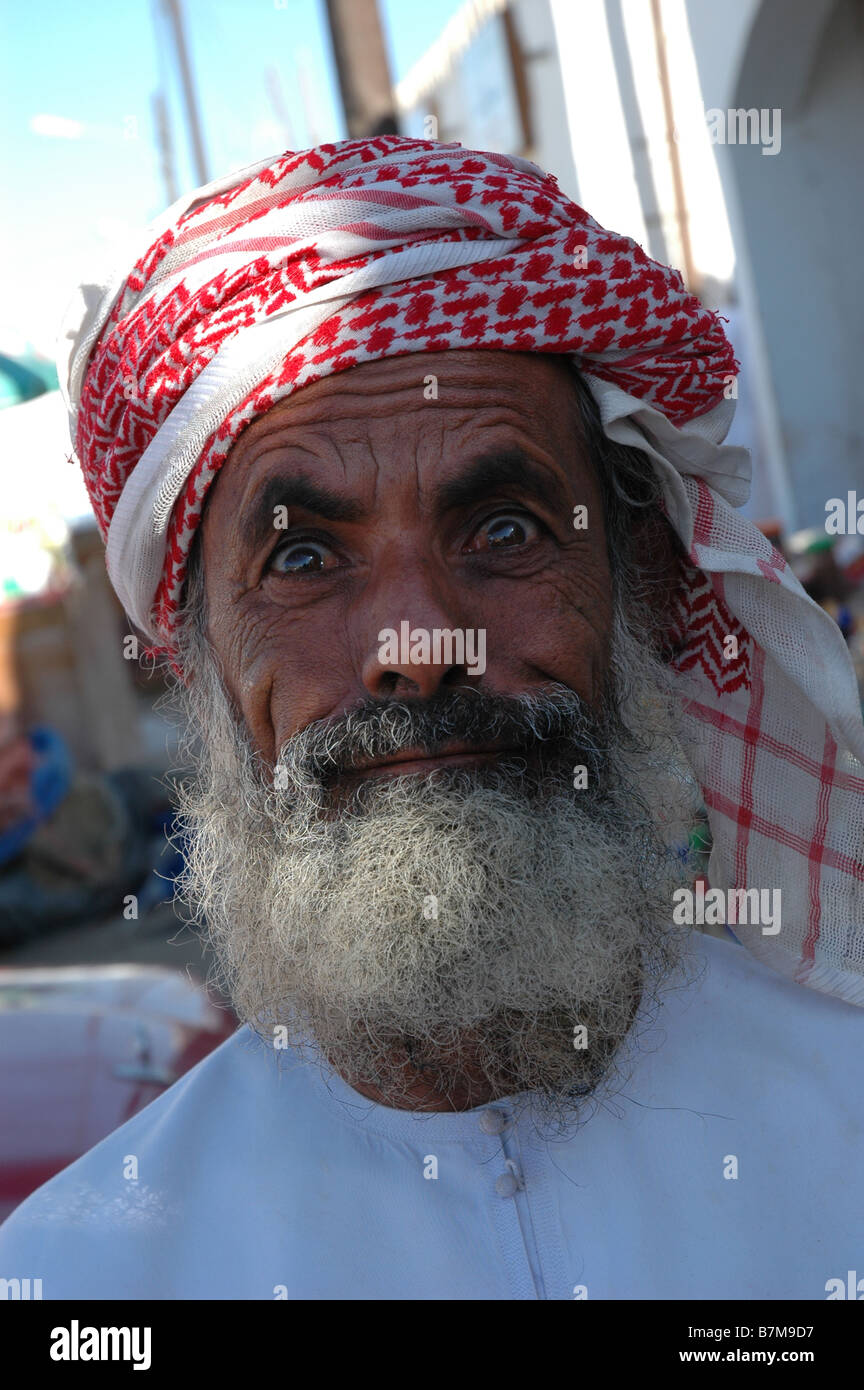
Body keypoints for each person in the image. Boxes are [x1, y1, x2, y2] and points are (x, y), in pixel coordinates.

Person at [1, 136, 862, 1300]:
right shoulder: (85, 1276)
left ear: (639, 583)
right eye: (303, 556)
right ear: (195, 656)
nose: (418, 647)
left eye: (503, 530)